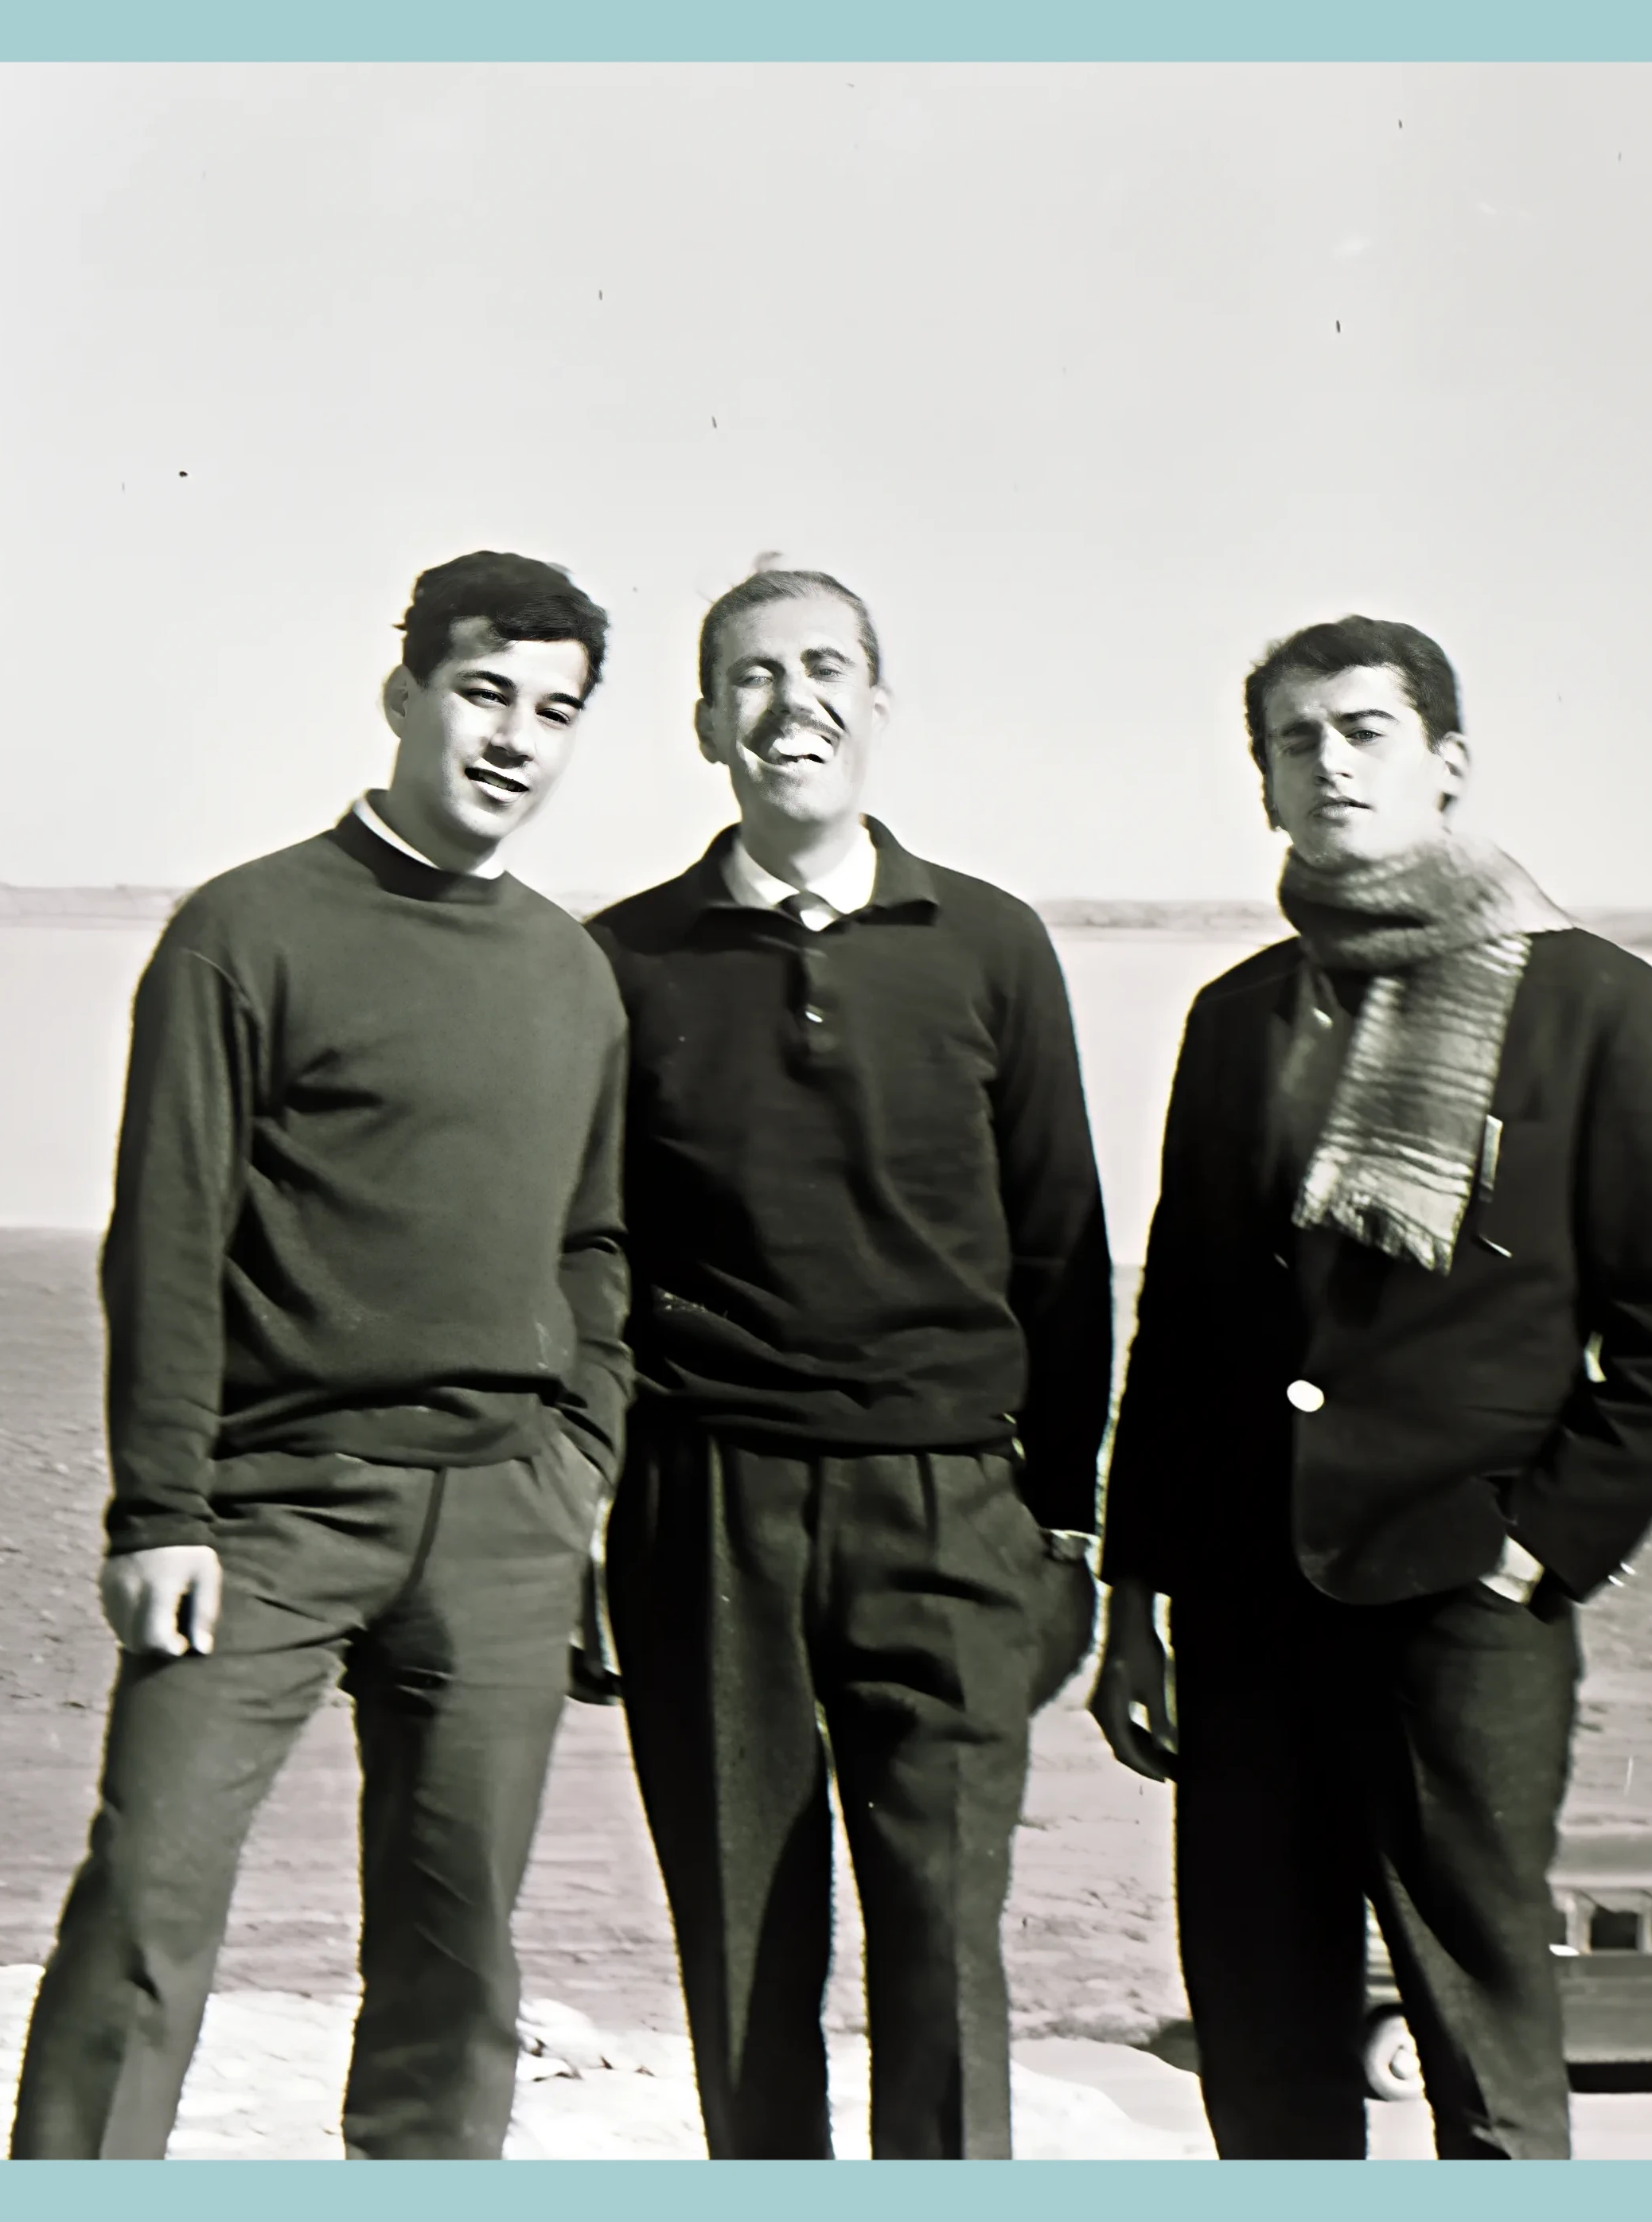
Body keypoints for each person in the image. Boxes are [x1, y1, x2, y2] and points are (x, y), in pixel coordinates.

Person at [1089, 615, 1652, 2160]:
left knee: (1480, 2049)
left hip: (1460, 1610)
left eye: (1364, 732)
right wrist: (1134, 1604)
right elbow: (1179, 1331)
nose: (1330, 765)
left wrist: (1530, 1549)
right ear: (1264, 784)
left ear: (1447, 764)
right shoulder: (1236, 1017)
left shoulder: (1597, 1006)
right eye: (1295, 741)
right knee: (1262, 2045)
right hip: (1245, 1610)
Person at [10, 552, 631, 2161]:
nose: (514, 739)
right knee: (146, 1894)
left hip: (500, 1520)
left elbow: (593, 1242)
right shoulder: (245, 931)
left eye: (554, 711)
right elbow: (166, 1237)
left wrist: (580, 1456)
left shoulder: (570, 970)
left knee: (455, 1949)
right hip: (267, 1512)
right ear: (403, 696)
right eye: (482, 694)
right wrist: (159, 1512)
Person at [585, 567, 1110, 2159]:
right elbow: (588, 1265)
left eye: (824, 668)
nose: (789, 702)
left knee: (942, 1942)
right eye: (750, 676)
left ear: (877, 707)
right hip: (705, 1508)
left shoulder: (991, 945)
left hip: (948, 1512)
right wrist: (588, 1525)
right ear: (704, 725)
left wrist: (1062, 1526)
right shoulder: (621, 961)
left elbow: (1061, 1249)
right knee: (743, 1942)